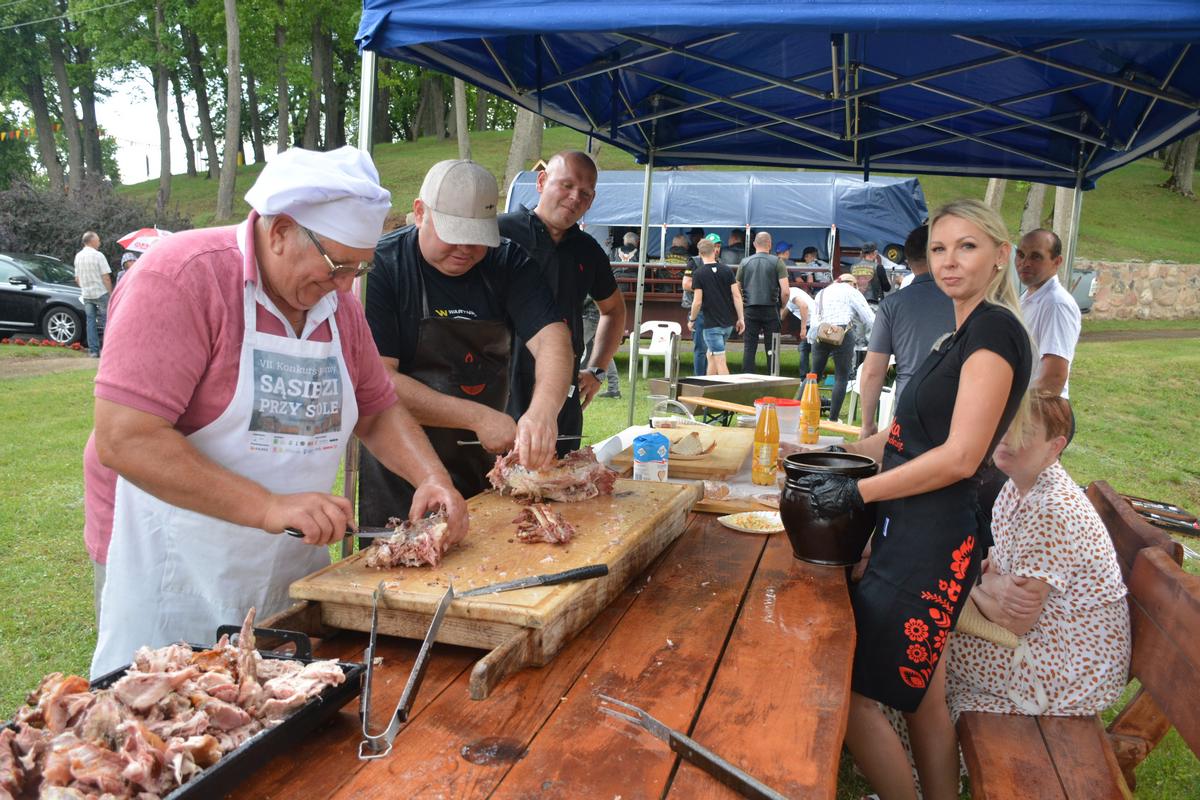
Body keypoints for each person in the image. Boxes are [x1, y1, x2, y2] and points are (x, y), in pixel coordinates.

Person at [87, 147, 469, 677]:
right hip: (179, 572)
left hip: (289, 573)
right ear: (280, 231)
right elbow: (126, 438)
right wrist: (267, 506)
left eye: (358, 269)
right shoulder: (180, 278)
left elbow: (377, 410)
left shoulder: (338, 304)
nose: (344, 287)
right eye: (337, 266)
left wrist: (431, 477)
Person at [808, 198, 1032, 800]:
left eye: (967, 247)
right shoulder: (956, 332)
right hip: (911, 529)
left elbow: (961, 456)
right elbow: (906, 437)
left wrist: (857, 490)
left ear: (999, 257)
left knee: (852, 693)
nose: (950, 261)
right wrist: (834, 461)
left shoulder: (993, 331)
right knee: (924, 696)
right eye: (939, 249)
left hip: (930, 544)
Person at [359, 159, 573, 527]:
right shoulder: (382, 266)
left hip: (482, 465)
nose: (465, 249)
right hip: (400, 464)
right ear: (420, 212)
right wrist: (476, 416)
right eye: (453, 234)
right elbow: (379, 379)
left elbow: (553, 339)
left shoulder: (508, 262)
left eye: (477, 238)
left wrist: (542, 411)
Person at [946, 391, 1130, 720]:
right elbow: (991, 567)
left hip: (1069, 670)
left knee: (924, 641)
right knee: (925, 628)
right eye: (1006, 427)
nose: (1006, 440)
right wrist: (989, 582)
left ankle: (906, 753)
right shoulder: (1017, 487)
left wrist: (974, 587)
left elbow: (1013, 619)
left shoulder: (1052, 509)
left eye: (1025, 433)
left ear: (1055, 446)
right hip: (1049, 646)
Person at [498, 151, 626, 457]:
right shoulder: (499, 232)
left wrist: (596, 370)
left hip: (563, 399)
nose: (574, 197)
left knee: (561, 488)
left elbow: (614, 310)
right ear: (542, 182)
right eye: (565, 185)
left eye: (584, 193)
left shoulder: (588, 250)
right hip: (500, 390)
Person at [858, 225, 955, 437]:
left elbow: (873, 371)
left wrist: (867, 424)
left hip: (909, 408)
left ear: (908, 261)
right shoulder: (966, 299)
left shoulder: (893, 305)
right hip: (960, 410)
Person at [1016, 228, 1080, 398]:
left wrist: (1013, 411)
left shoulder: (1056, 304)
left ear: (1057, 262)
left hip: (1038, 413)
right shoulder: (1027, 298)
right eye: (1021, 254)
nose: (1025, 262)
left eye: (1036, 256)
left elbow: (1053, 380)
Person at [809, 273, 874, 422]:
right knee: (841, 377)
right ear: (852, 283)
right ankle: (833, 419)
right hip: (842, 332)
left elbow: (814, 319)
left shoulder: (822, 292)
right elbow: (869, 318)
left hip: (821, 332)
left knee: (813, 375)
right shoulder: (851, 291)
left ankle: (799, 410)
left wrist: (812, 338)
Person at [687, 237, 743, 375]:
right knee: (711, 355)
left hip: (711, 324)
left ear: (700, 254)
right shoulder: (727, 270)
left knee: (720, 361)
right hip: (727, 323)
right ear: (715, 251)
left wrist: (692, 319)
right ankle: (707, 388)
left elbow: (697, 301)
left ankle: (729, 393)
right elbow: (737, 296)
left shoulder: (699, 274)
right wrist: (741, 318)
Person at [736, 231, 789, 373]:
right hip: (771, 308)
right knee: (772, 346)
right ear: (770, 245)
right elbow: (785, 291)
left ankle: (746, 377)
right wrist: (783, 306)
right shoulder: (778, 262)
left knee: (749, 347)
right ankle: (773, 376)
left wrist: (742, 305)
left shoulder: (744, 262)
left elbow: (736, 288)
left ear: (754, 244)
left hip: (750, 308)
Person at [681, 233, 721, 376]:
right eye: (714, 246)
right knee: (700, 348)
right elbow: (686, 284)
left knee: (715, 348)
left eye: (718, 246)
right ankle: (699, 378)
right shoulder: (695, 261)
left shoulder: (720, 264)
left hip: (714, 310)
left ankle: (711, 379)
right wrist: (705, 287)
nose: (716, 249)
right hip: (698, 310)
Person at [73, 231, 112, 358]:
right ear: (92, 241)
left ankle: (94, 351)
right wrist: (111, 293)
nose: (100, 243)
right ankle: (108, 350)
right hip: (100, 292)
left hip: (87, 294)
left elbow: (77, 279)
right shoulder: (98, 255)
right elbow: (106, 277)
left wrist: (84, 287)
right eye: (98, 240)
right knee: (107, 321)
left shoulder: (78, 256)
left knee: (90, 322)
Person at [582, 295, 620, 398]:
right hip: (596, 317)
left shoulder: (590, 278)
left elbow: (588, 296)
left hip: (590, 318)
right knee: (605, 353)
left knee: (575, 350)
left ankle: (571, 385)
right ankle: (614, 388)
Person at [784, 281, 815, 377]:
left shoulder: (792, 294)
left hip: (814, 324)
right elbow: (787, 308)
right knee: (809, 349)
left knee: (804, 349)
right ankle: (810, 375)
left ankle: (804, 377)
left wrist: (803, 328)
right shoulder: (790, 294)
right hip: (814, 323)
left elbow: (803, 306)